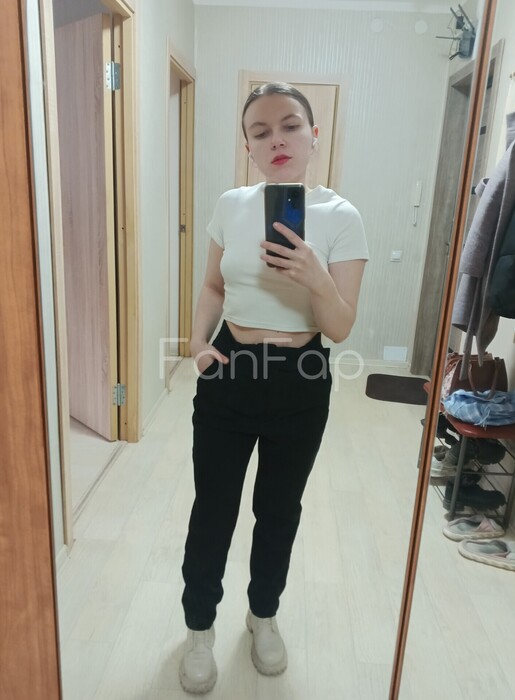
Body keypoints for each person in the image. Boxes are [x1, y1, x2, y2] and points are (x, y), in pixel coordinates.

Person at [179, 82, 369, 694]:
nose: (276, 140)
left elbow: (339, 326)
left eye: (289, 126)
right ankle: (199, 627)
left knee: (278, 510)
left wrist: (315, 276)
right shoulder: (231, 205)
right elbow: (213, 285)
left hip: (301, 375)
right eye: (260, 132)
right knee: (213, 508)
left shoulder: (342, 216)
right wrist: (198, 343)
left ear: (314, 135)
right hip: (229, 367)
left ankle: (263, 615)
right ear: (248, 147)